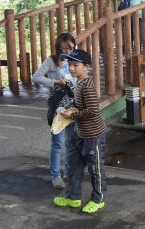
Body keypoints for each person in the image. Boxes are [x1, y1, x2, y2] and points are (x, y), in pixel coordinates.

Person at [53, 49, 107, 214]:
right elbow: (78, 104)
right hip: (80, 133)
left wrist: (73, 115)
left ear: (86, 67)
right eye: (69, 65)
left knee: (95, 169)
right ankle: (73, 197)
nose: (71, 68)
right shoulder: (79, 83)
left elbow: (93, 111)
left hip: (94, 136)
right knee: (73, 166)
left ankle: (98, 200)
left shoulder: (87, 87)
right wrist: (67, 110)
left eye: (75, 65)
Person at [31, 32, 77, 189]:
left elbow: (81, 79)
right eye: (63, 48)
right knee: (57, 143)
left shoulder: (76, 60)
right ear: (58, 47)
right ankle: (55, 176)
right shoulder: (52, 60)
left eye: (70, 47)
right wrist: (55, 82)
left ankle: (68, 171)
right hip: (58, 106)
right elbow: (36, 77)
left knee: (71, 142)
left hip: (74, 105)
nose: (67, 51)